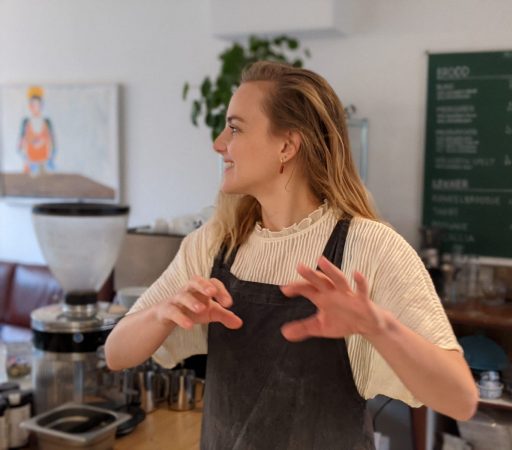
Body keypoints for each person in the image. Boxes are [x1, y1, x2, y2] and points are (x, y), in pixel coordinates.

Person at [105, 61, 478, 449]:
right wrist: (161, 314)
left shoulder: (371, 248)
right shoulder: (215, 243)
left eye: (235, 128)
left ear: (286, 145)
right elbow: (116, 353)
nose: (219, 143)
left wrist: (379, 328)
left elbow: (461, 401)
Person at [18, 86, 56, 175]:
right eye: (32, 104)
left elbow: (52, 143)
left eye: (37, 104)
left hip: (44, 162)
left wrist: (50, 158)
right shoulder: (26, 122)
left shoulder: (47, 122)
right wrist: (25, 159)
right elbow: (21, 144)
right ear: (29, 106)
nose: (34, 107)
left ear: (41, 105)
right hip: (30, 163)